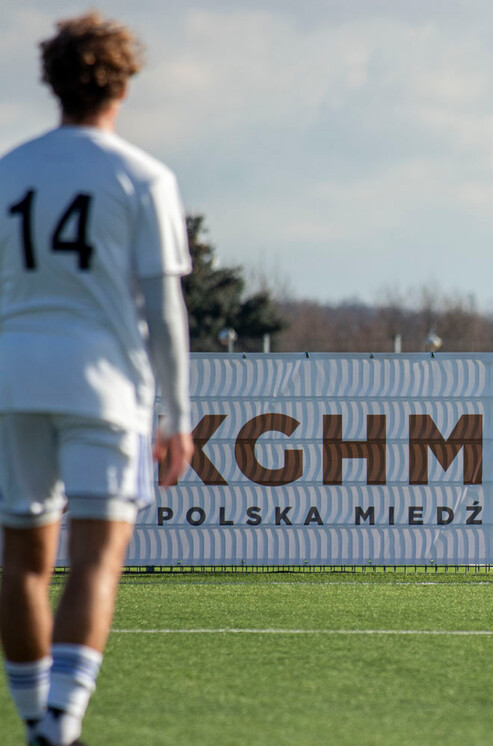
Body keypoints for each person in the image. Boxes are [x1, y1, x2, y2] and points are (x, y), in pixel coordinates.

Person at [0, 13, 194, 746]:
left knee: (22, 561)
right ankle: (61, 725)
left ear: (52, 81)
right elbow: (165, 311)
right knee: (96, 559)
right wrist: (178, 414)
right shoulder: (144, 177)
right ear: (123, 82)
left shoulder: (9, 170)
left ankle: (32, 724)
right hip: (103, 389)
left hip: (14, 379)